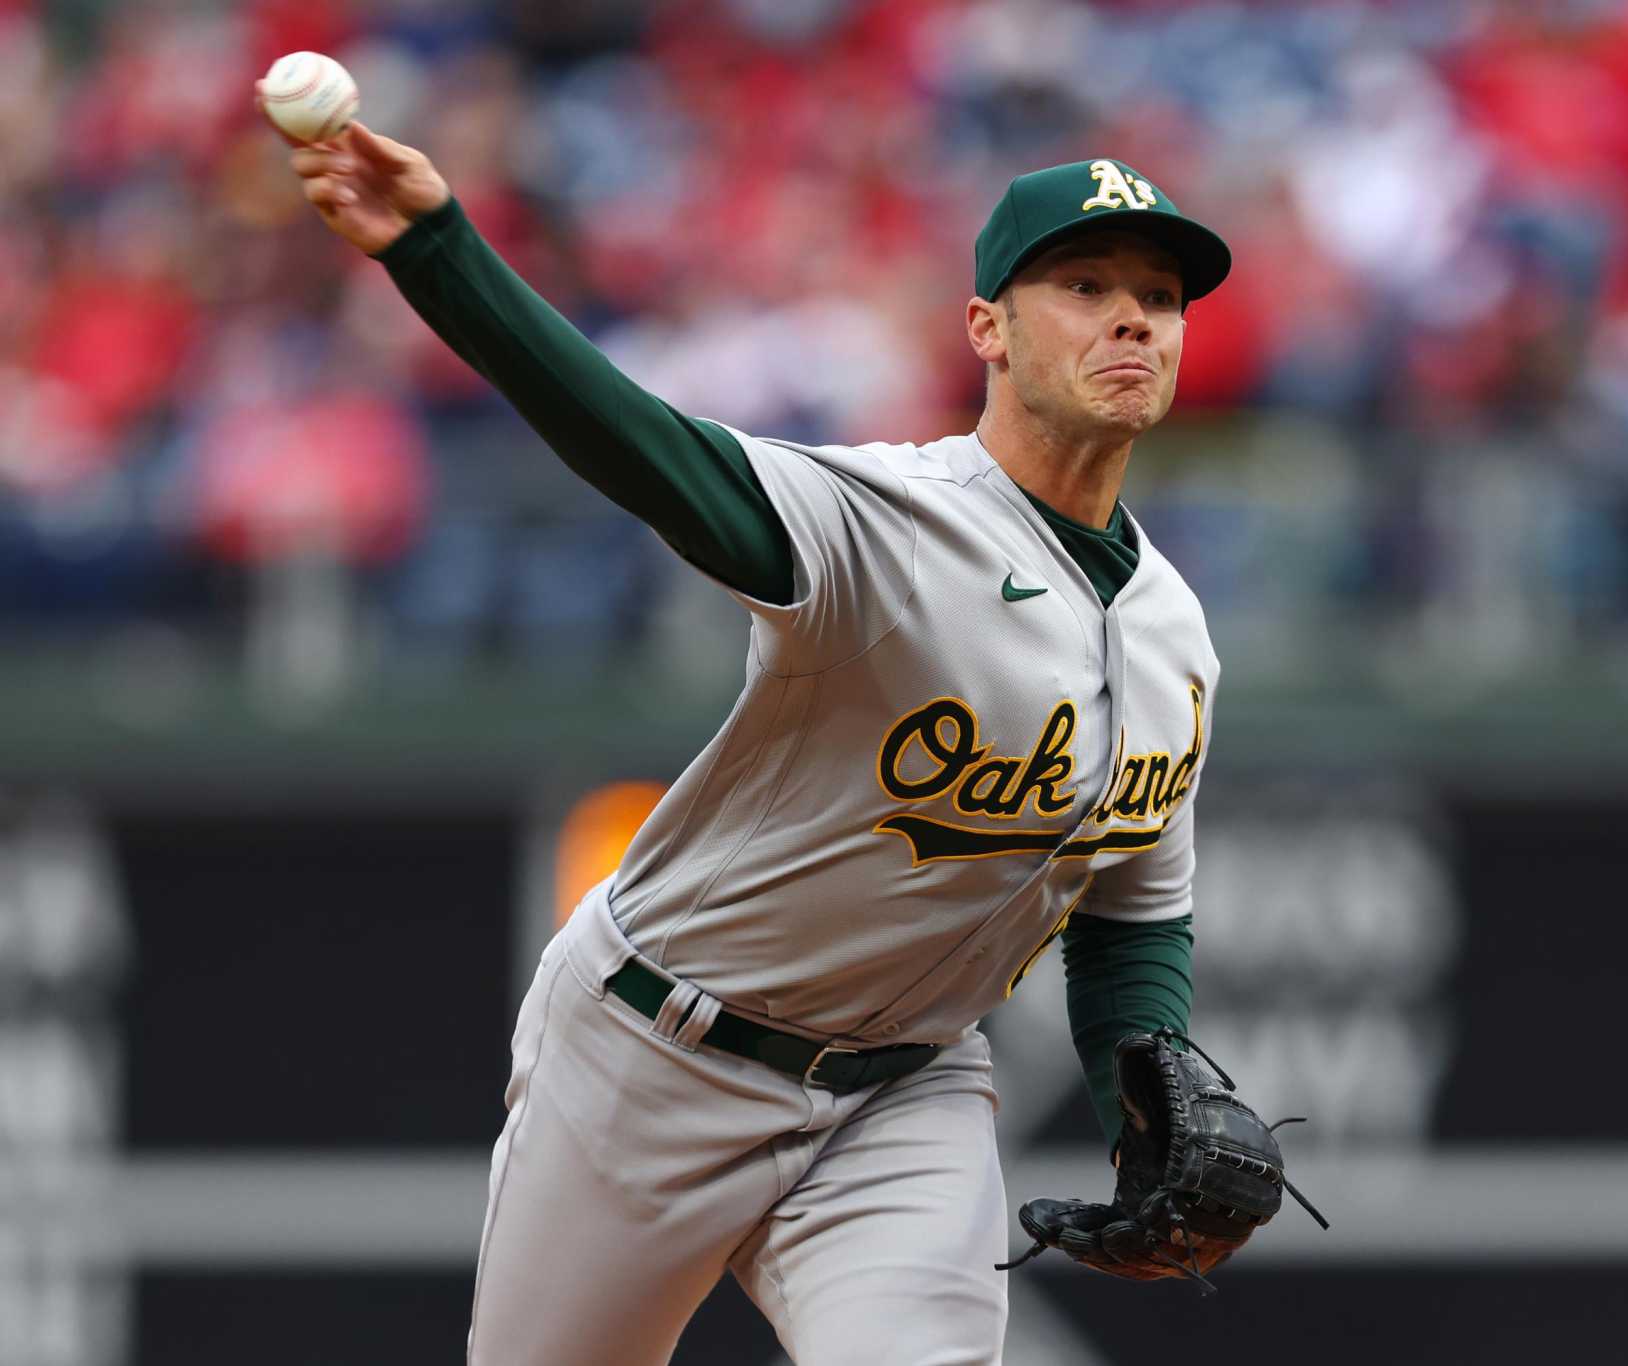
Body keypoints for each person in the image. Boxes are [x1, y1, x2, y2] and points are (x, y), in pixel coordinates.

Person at [278, 113, 1232, 1365]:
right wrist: (438, 252)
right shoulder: (886, 523)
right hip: (652, 1053)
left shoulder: (1174, 633)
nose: (1132, 320)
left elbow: (1129, 911)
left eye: (1158, 297)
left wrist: (1138, 1101)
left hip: (902, 1086)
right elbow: (643, 449)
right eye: (1084, 285)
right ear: (985, 328)